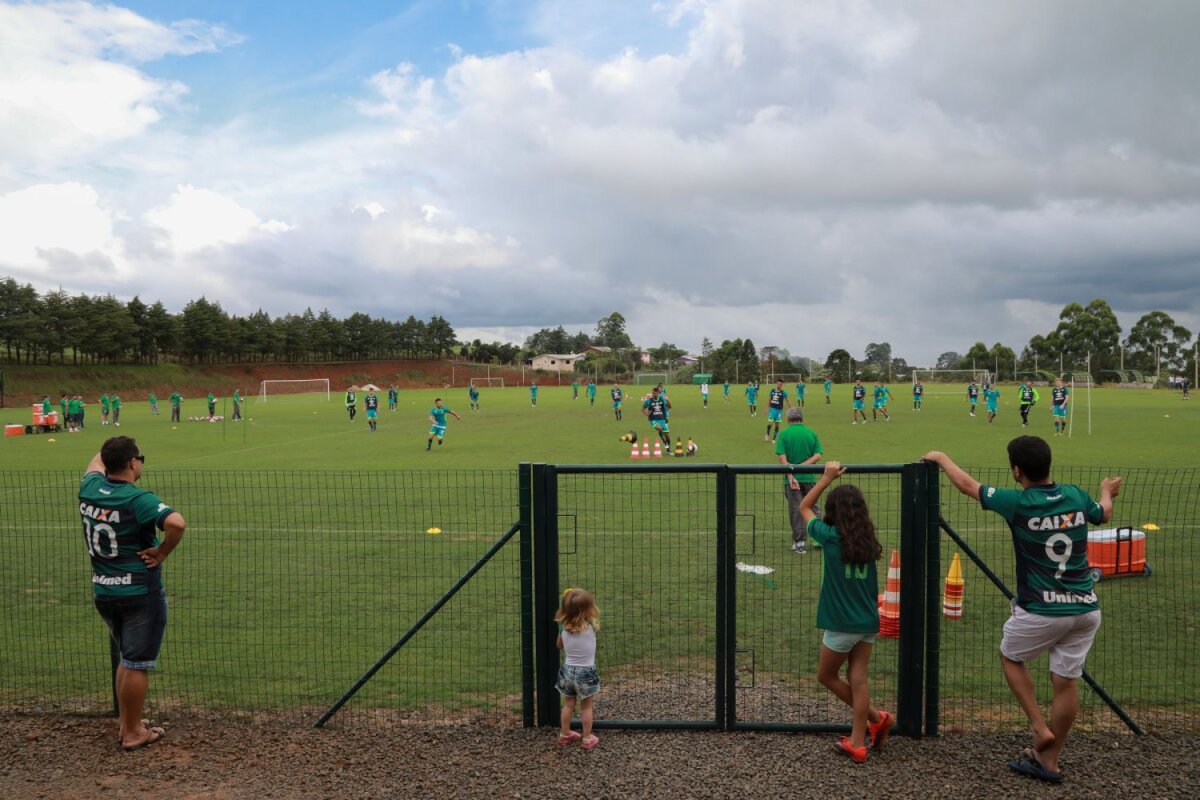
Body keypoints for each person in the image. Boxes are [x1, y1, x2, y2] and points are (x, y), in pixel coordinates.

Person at [922, 438, 1121, 784]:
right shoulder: (1074, 495)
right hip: (1086, 609)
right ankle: (1050, 761)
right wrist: (1105, 490)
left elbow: (968, 485)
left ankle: (1039, 727)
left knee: (1011, 657)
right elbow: (1103, 513)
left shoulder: (1017, 502)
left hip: (1042, 609)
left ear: (1017, 471)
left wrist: (940, 456)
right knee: (1066, 682)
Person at [80, 436, 187, 751]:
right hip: (139, 591)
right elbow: (176, 524)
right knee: (137, 662)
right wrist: (162, 552)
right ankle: (132, 734)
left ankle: (129, 726)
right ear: (132, 463)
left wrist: (113, 451)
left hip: (104, 589)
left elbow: (96, 461)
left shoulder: (89, 488)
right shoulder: (137, 498)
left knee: (127, 660)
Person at [799, 461, 892, 762]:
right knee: (859, 679)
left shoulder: (828, 536)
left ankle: (876, 720)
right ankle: (859, 738)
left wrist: (825, 479)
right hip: (867, 621)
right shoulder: (869, 543)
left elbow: (804, 506)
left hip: (841, 623)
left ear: (834, 511)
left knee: (826, 675)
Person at [555, 588, 601, 750]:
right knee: (586, 706)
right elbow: (596, 627)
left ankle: (565, 733)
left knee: (568, 705)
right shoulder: (592, 626)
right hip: (586, 673)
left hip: (567, 672)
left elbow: (559, 646)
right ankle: (587, 738)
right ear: (588, 609)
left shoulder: (563, 628)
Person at [777, 406, 823, 553]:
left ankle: (799, 543)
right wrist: (803, 467)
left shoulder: (783, 434)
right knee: (814, 507)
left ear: (788, 418)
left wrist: (792, 474)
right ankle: (818, 539)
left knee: (796, 509)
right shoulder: (812, 433)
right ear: (801, 418)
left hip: (791, 481)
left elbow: (782, 458)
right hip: (809, 477)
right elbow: (818, 455)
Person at [642, 385, 672, 450]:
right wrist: (646, 413)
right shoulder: (649, 401)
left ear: (658, 393)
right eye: (653, 393)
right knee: (660, 428)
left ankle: (668, 450)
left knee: (668, 437)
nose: (654, 394)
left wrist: (667, 400)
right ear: (651, 393)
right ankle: (664, 442)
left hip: (662, 419)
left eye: (655, 393)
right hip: (653, 420)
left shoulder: (662, 399)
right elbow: (642, 408)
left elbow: (669, 407)